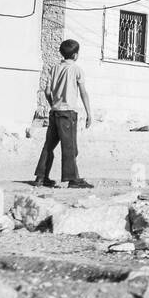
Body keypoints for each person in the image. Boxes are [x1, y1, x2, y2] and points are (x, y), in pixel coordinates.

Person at [34, 38, 93, 189]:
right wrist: (89, 113)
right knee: (70, 147)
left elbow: (47, 91)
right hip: (68, 113)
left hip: (54, 112)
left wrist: (53, 103)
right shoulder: (77, 69)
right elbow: (83, 93)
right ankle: (73, 179)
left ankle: (41, 177)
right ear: (75, 55)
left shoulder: (54, 68)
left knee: (49, 145)